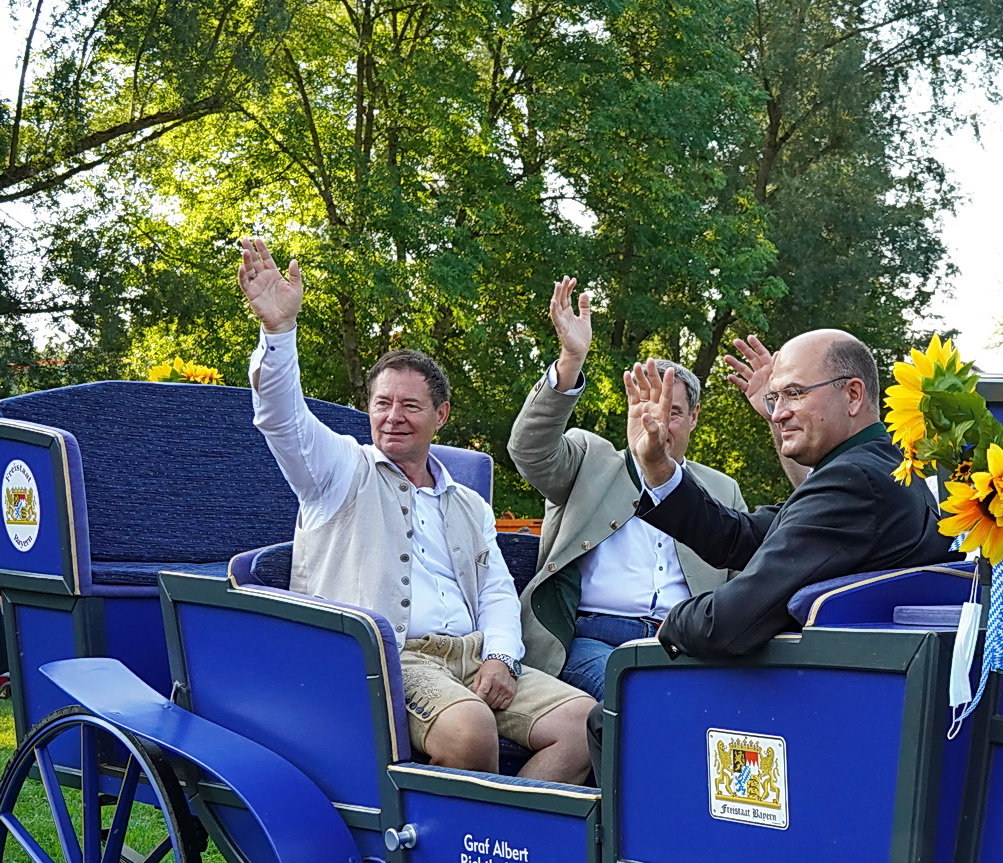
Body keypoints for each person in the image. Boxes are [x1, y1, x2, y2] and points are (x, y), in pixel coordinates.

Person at [237, 238, 593, 783]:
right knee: (471, 728)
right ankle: (472, 858)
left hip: (472, 656)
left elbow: (496, 588)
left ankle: (506, 856)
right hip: (386, 663)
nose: (393, 416)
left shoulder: (467, 502)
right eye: (382, 403)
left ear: (440, 415)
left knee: (584, 723)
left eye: (410, 405)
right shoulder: (338, 472)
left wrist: (501, 656)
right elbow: (282, 419)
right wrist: (279, 332)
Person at [624, 328, 955, 660]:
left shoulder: (854, 482)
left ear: (853, 395)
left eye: (795, 393)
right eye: (775, 398)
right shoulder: (881, 467)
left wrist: (673, 622)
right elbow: (740, 537)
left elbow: (726, 625)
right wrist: (657, 467)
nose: (778, 413)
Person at [508, 277, 746, 701]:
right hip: (591, 636)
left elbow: (747, 580)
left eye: (672, 411)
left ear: (693, 419)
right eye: (647, 407)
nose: (658, 421)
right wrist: (571, 359)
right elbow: (527, 449)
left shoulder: (721, 489)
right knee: (638, 699)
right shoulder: (588, 459)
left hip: (682, 645)